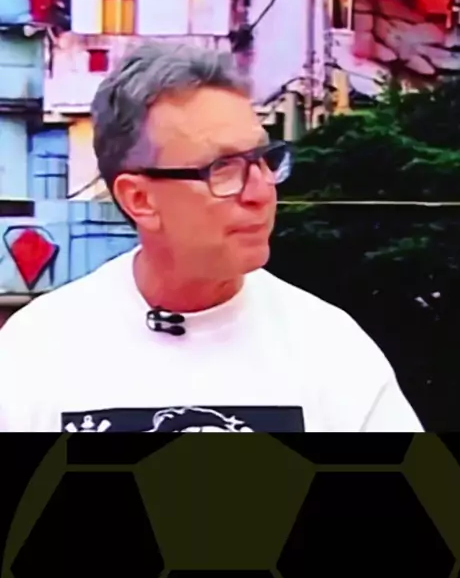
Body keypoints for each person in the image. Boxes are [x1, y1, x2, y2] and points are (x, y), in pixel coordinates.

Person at [0, 42, 423, 433]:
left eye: (264, 159)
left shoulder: (332, 349)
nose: (261, 192)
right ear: (140, 199)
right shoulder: (35, 352)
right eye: (223, 169)